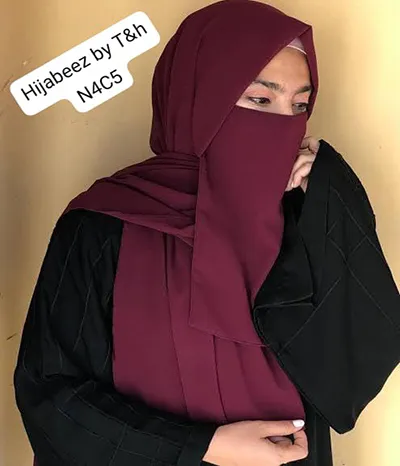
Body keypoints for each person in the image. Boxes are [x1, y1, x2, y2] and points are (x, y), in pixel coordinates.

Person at [13, 1, 369, 465]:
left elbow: (354, 365)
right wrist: (201, 446)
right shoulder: (102, 226)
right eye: (260, 100)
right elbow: (51, 395)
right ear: (196, 101)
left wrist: (333, 203)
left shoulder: (301, 221)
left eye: (299, 106)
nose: (284, 126)